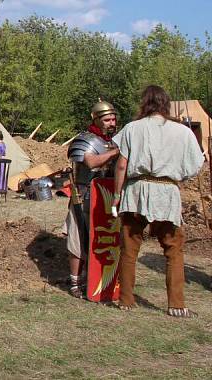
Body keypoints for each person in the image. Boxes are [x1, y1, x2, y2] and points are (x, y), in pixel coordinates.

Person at [112, 85, 205, 317]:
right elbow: (196, 164)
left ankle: (126, 300)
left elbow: (122, 164)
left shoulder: (132, 128)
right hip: (166, 192)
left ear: (145, 103)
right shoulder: (183, 132)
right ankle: (176, 304)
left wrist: (116, 194)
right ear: (166, 104)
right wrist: (177, 175)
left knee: (130, 248)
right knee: (174, 250)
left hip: (137, 191)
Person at [63, 99, 120, 298]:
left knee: (104, 240)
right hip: (85, 195)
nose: (112, 123)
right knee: (78, 239)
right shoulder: (84, 139)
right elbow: (91, 162)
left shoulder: (114, 142)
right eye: (107, 120)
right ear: (96, 120)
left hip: (108, 199)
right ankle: (75, 282)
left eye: (113, 119)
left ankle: (96, 279)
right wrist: (116, 153)